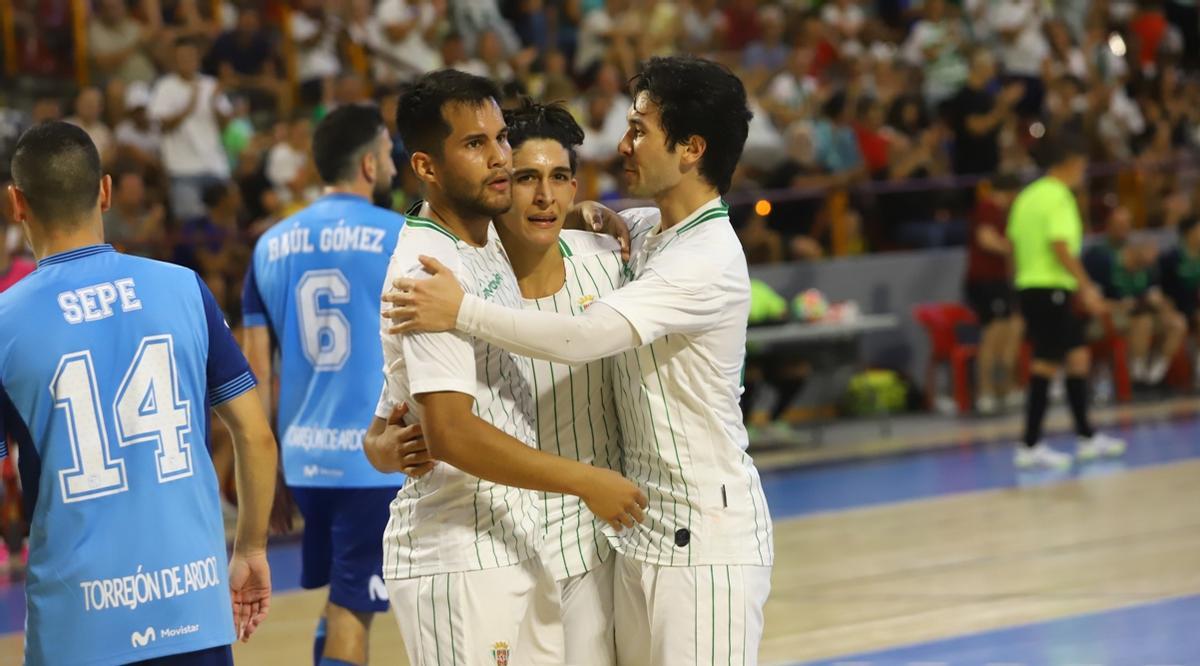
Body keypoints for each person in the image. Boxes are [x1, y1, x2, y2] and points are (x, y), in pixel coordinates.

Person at [385, 56, 774, 664]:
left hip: (701, 535)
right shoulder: (639, 234)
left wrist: (460, 310)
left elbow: (582, 337)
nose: (623, 144)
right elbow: (404, 397)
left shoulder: (704, 258)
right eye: (522, 175)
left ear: (692, 148)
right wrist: (380, 442)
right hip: (614, 537)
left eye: (640, 129)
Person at [365, 69, 646, 665]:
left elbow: (397, 397)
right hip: (457, 550)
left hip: (514, 539)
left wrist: (580, 210)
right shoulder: (427, 272)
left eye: (499, 140)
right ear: (427, 167)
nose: (497, 158)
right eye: (475, 144)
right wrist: (585, 479)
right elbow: (451, 432)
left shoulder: (481, 235)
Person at [1, 121, 277, 664]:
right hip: (193, 608)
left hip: (76, 623)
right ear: (104, 191)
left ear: (17, 203)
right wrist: (250, 548)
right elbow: (255, 434)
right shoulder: (182, 287)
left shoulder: (5, 322)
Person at [241, 104, 409, 666]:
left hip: (305, 460)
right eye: (387, 154)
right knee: (353, 610)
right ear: (368, 163)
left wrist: (268, 471)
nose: (392, 164)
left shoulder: (270, 245)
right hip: (374, 460)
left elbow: (256, 373)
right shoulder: (400, 235)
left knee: (344, 595)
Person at [1007, 132, 1127, 469]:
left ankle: (1087, 437)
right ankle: (1029, 445)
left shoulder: (1027, 196)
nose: (1084, 173)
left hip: (1033, 287)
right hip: (1051, 289)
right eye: (1083, 166)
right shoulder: (1058, 196)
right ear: (1070, 163)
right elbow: (1060, 246)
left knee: (1078, 359)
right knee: (1045, 364)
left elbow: (1015, 245)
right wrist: (1087, 286)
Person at [149, 37, 234, 221]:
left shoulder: (210, 85)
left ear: (198, 59)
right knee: (191, 224)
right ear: (174, 60)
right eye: (182, 57)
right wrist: (189, 106)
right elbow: (162, 125)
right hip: (182, 169)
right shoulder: (165, 87)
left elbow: (225, 126)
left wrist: (214, 104)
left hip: (215, 165)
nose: (187, 61)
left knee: (227, 216)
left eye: (190, 56)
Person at [1084, 239, 1185, 386]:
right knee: (1143, 323)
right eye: (1146, 257)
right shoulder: (1105, 264)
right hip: (1109, 316)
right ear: (1133, 252)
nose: (1150, 262)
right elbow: (1093, 303)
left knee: (1177, 323)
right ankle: (1137, 376)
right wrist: (1120, 305)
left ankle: (1156, 373)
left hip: (1139, 313)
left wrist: (1166, 310)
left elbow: (1157, 295)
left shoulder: (1149, 270)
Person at [964, 173, 1025, 414]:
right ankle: (985, 392)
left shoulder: (1002, 213)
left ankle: (1005, 388)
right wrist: (1012, 247)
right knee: (993, 334)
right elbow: (985, 239)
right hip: (985, 281)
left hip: (999, 281)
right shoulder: (987, 207)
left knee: (1010, 330)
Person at [1158, 215, 1200, 384]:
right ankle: (1156, 374)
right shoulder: (1171, 258)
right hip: (1174, 307)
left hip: (1195, 308)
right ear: (1188, 233)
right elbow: (1160, 289)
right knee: (1178, 324)